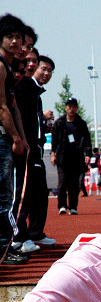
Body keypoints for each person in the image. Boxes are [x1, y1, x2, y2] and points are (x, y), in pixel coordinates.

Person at [13, 55, 56, 252]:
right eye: (43, 69)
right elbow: (19, 117)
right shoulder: (24, 88)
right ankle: (19, 237)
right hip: (27, 149)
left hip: (37, 150)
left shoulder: (36, 93)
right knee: (24, 196)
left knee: (39, 193)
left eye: (50, 71)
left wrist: (43, 121)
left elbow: (32, 122)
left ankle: (35, 233)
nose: (46, 73)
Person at [0, 13, 30, 266]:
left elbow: (13, 106)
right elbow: (2, 108)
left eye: (18, 38)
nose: (14, 42)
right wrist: (15, 138)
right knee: (4, 196)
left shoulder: (9, 67)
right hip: (1, 140)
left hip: (7, 137)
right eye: (10, 37)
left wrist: (22, 137)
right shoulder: (0, 66)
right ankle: (3, 249)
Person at [51, 97, 92, 215]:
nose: (72, 109)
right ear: (66, 108)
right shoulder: (59, 123)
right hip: (62, 157)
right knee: (62, 182)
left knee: (74, 183)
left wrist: (88, 154)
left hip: (77, 157)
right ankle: (62, 206)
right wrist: (53, 154)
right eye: (69, 106)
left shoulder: (81, 123)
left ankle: (73, 207)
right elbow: (54, 140)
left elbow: (87, 140)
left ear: (77, 108)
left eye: (74, 106)